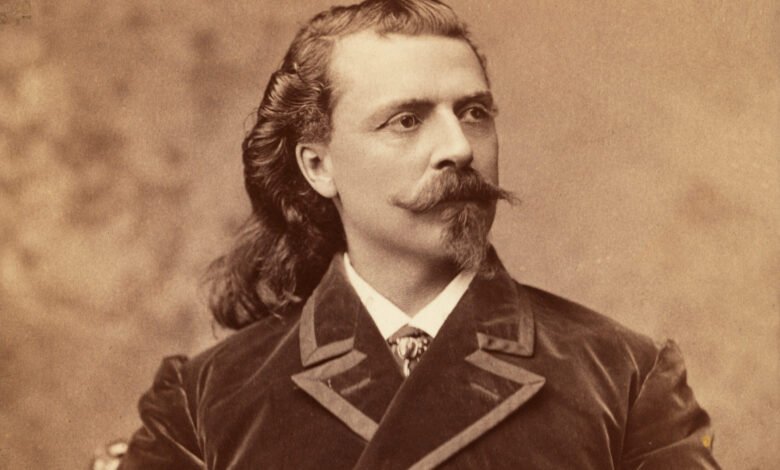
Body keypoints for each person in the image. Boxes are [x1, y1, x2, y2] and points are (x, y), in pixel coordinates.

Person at [118, 0, 720, 468]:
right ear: (318, 166)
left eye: (474, 113)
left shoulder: (625, 378)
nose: (459, 148)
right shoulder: (203, 400)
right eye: (407, 120)